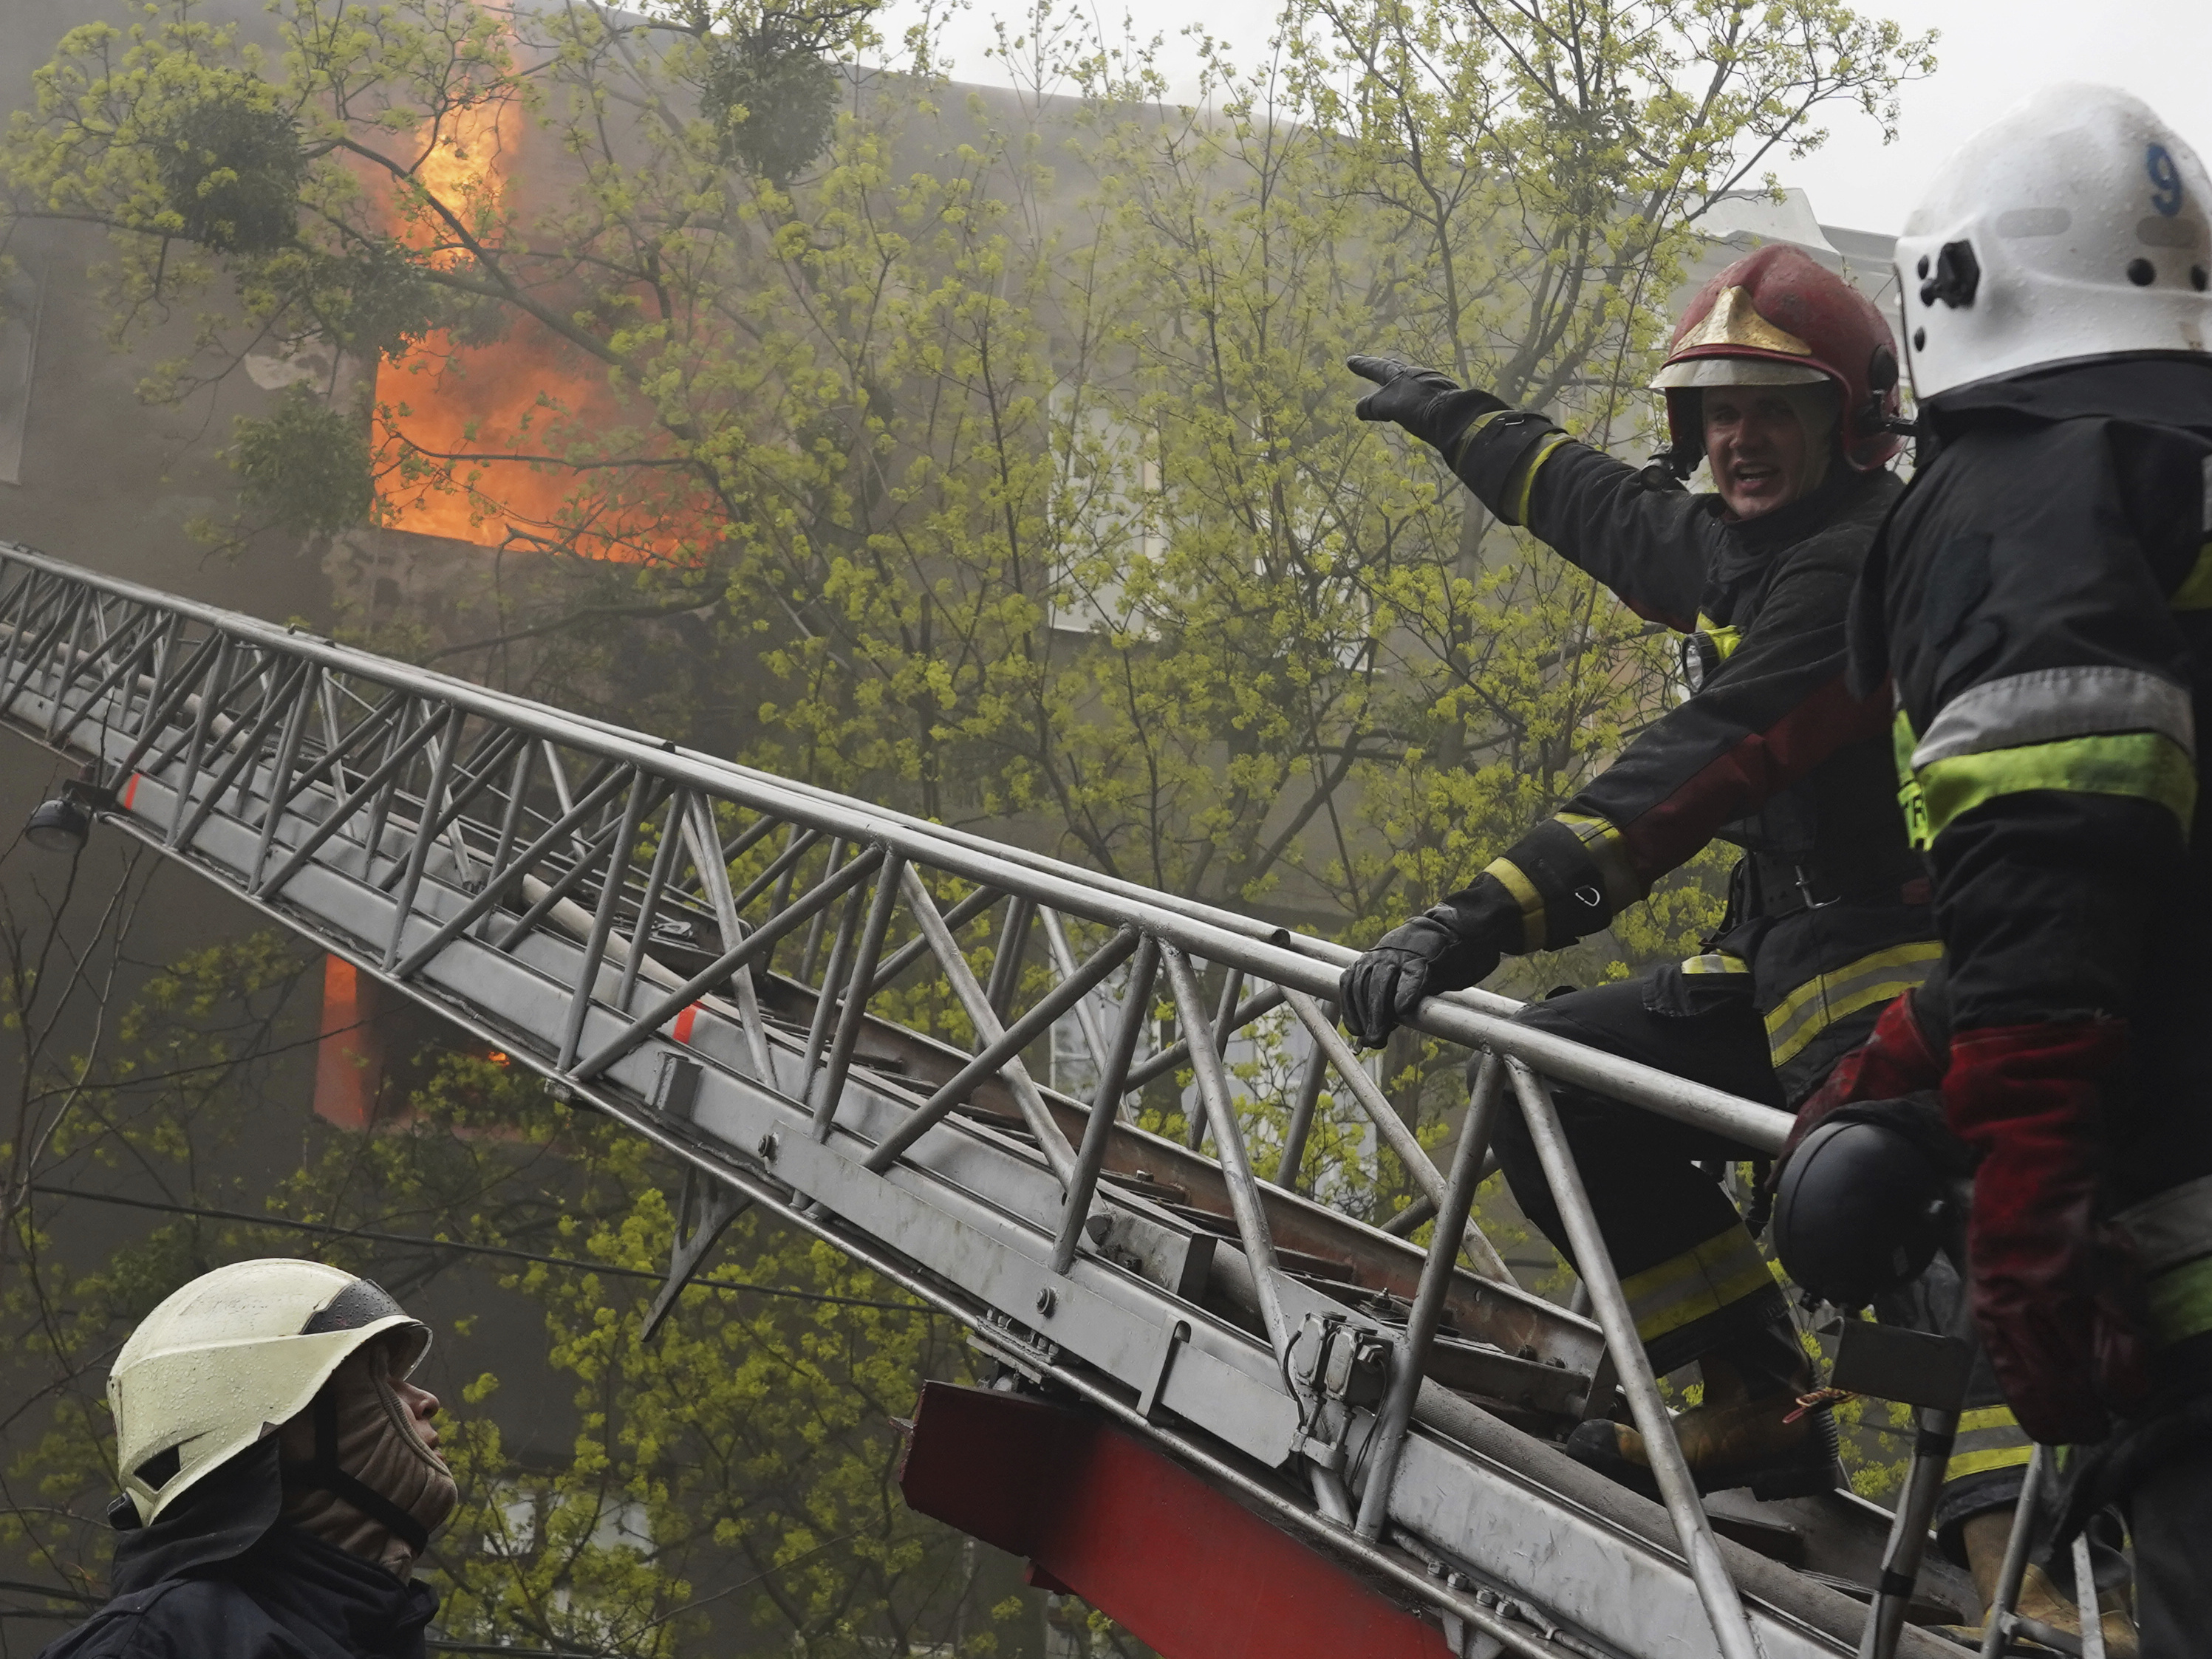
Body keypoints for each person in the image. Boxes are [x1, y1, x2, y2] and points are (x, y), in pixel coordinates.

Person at [1339, 243, 1943, 1500]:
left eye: (1772, 409)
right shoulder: (1734, 542)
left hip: (1893, 972)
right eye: (1715, 413)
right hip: (1769, 957)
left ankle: (2015, 1538)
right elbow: (1597, 508)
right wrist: (1454, 417)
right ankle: (1755, 1394)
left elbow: (1697, 761)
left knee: (1904, 1211)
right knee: (1551, 1084)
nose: (1738, 440)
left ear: (1851, 421)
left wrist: (1473, 919)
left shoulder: (1859, 564)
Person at [1848, 83, 2212, 1656]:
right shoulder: (2167, 472)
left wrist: (2024, 1208)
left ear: (1946, 292)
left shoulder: (2015, 487)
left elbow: (2056, 805)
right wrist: (1941, 1028)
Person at [38, 1258, 459, 1659]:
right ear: (284, 1425)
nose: (427, 1401)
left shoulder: (377, 1639)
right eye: (380, 1380)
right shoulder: (154, 1646)